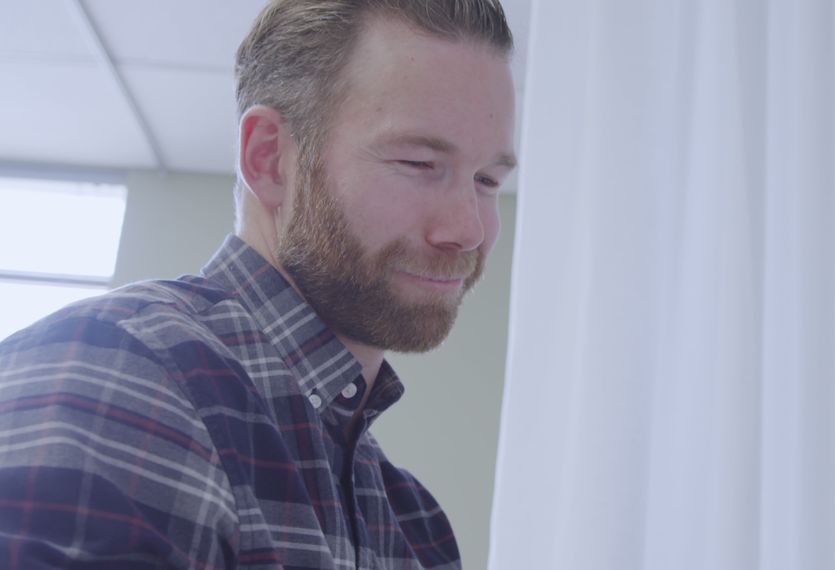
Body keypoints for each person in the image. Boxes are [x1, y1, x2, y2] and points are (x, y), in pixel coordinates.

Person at [0, 0, 516, 567]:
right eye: (419, 163)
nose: (469, 230)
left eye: (488, 179)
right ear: (270, 158)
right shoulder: (117, 372)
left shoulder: (416, 526)